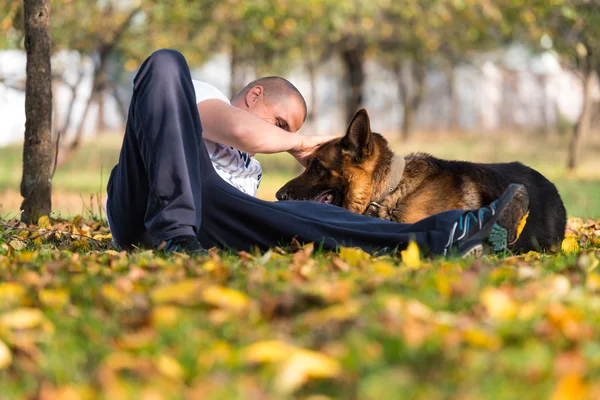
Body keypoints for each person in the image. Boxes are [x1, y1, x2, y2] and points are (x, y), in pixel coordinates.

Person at [106, 49, 530, 258]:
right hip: (144, 200)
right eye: (280, 122)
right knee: (164, 62)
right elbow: (238, 129)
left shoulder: (249, 172)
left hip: (205, 216)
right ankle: (173, 233)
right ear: (255, 95)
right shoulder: (197, 96)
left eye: (288, 131)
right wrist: (298, 142)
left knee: (310, 214)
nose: (284, 136)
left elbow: (247, 178)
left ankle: (455, 234)